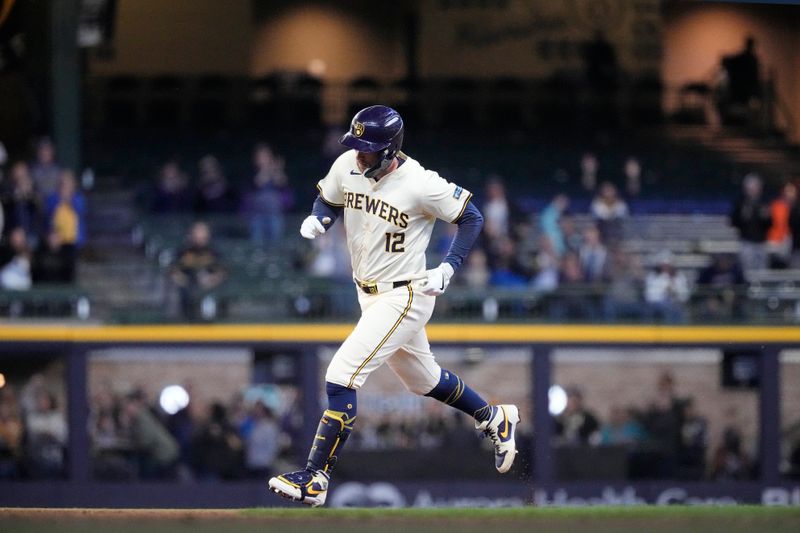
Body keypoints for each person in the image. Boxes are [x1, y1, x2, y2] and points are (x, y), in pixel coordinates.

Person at [268, 105, 519, 507]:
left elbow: (471, 216)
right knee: (424, 380)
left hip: (405, 293)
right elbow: (329, 199)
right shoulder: (348, 164)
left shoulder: (419, 182)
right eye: (357, 146)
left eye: (368, 149)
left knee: (341, 376)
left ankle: (315, 477)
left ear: (390, 149)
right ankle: (493, 416)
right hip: (367, 293)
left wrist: (449, 267)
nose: (359, 154)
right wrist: (321, 218)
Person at [168, 221, 227, 320]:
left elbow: (222, 272)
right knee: (185, 296)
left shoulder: (214, 251)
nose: (200, 235)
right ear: (191, 234)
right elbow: (174, 272)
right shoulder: (183, 251)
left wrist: (210, 281)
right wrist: (186, 282)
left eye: (202, 232)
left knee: (211, 299)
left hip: (210, 289)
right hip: (187, 289)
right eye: (197, 232)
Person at [730, 173, 771, 271]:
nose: (753, 190)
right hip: (746, 241)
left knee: (762, 270)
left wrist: (766, 217)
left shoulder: (764, 203)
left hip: (761, 242)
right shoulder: (740, 203)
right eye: (750, 187)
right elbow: (733, 222)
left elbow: (770, 224)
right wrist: (743, 217)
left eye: (756, 187)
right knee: (747, 269)